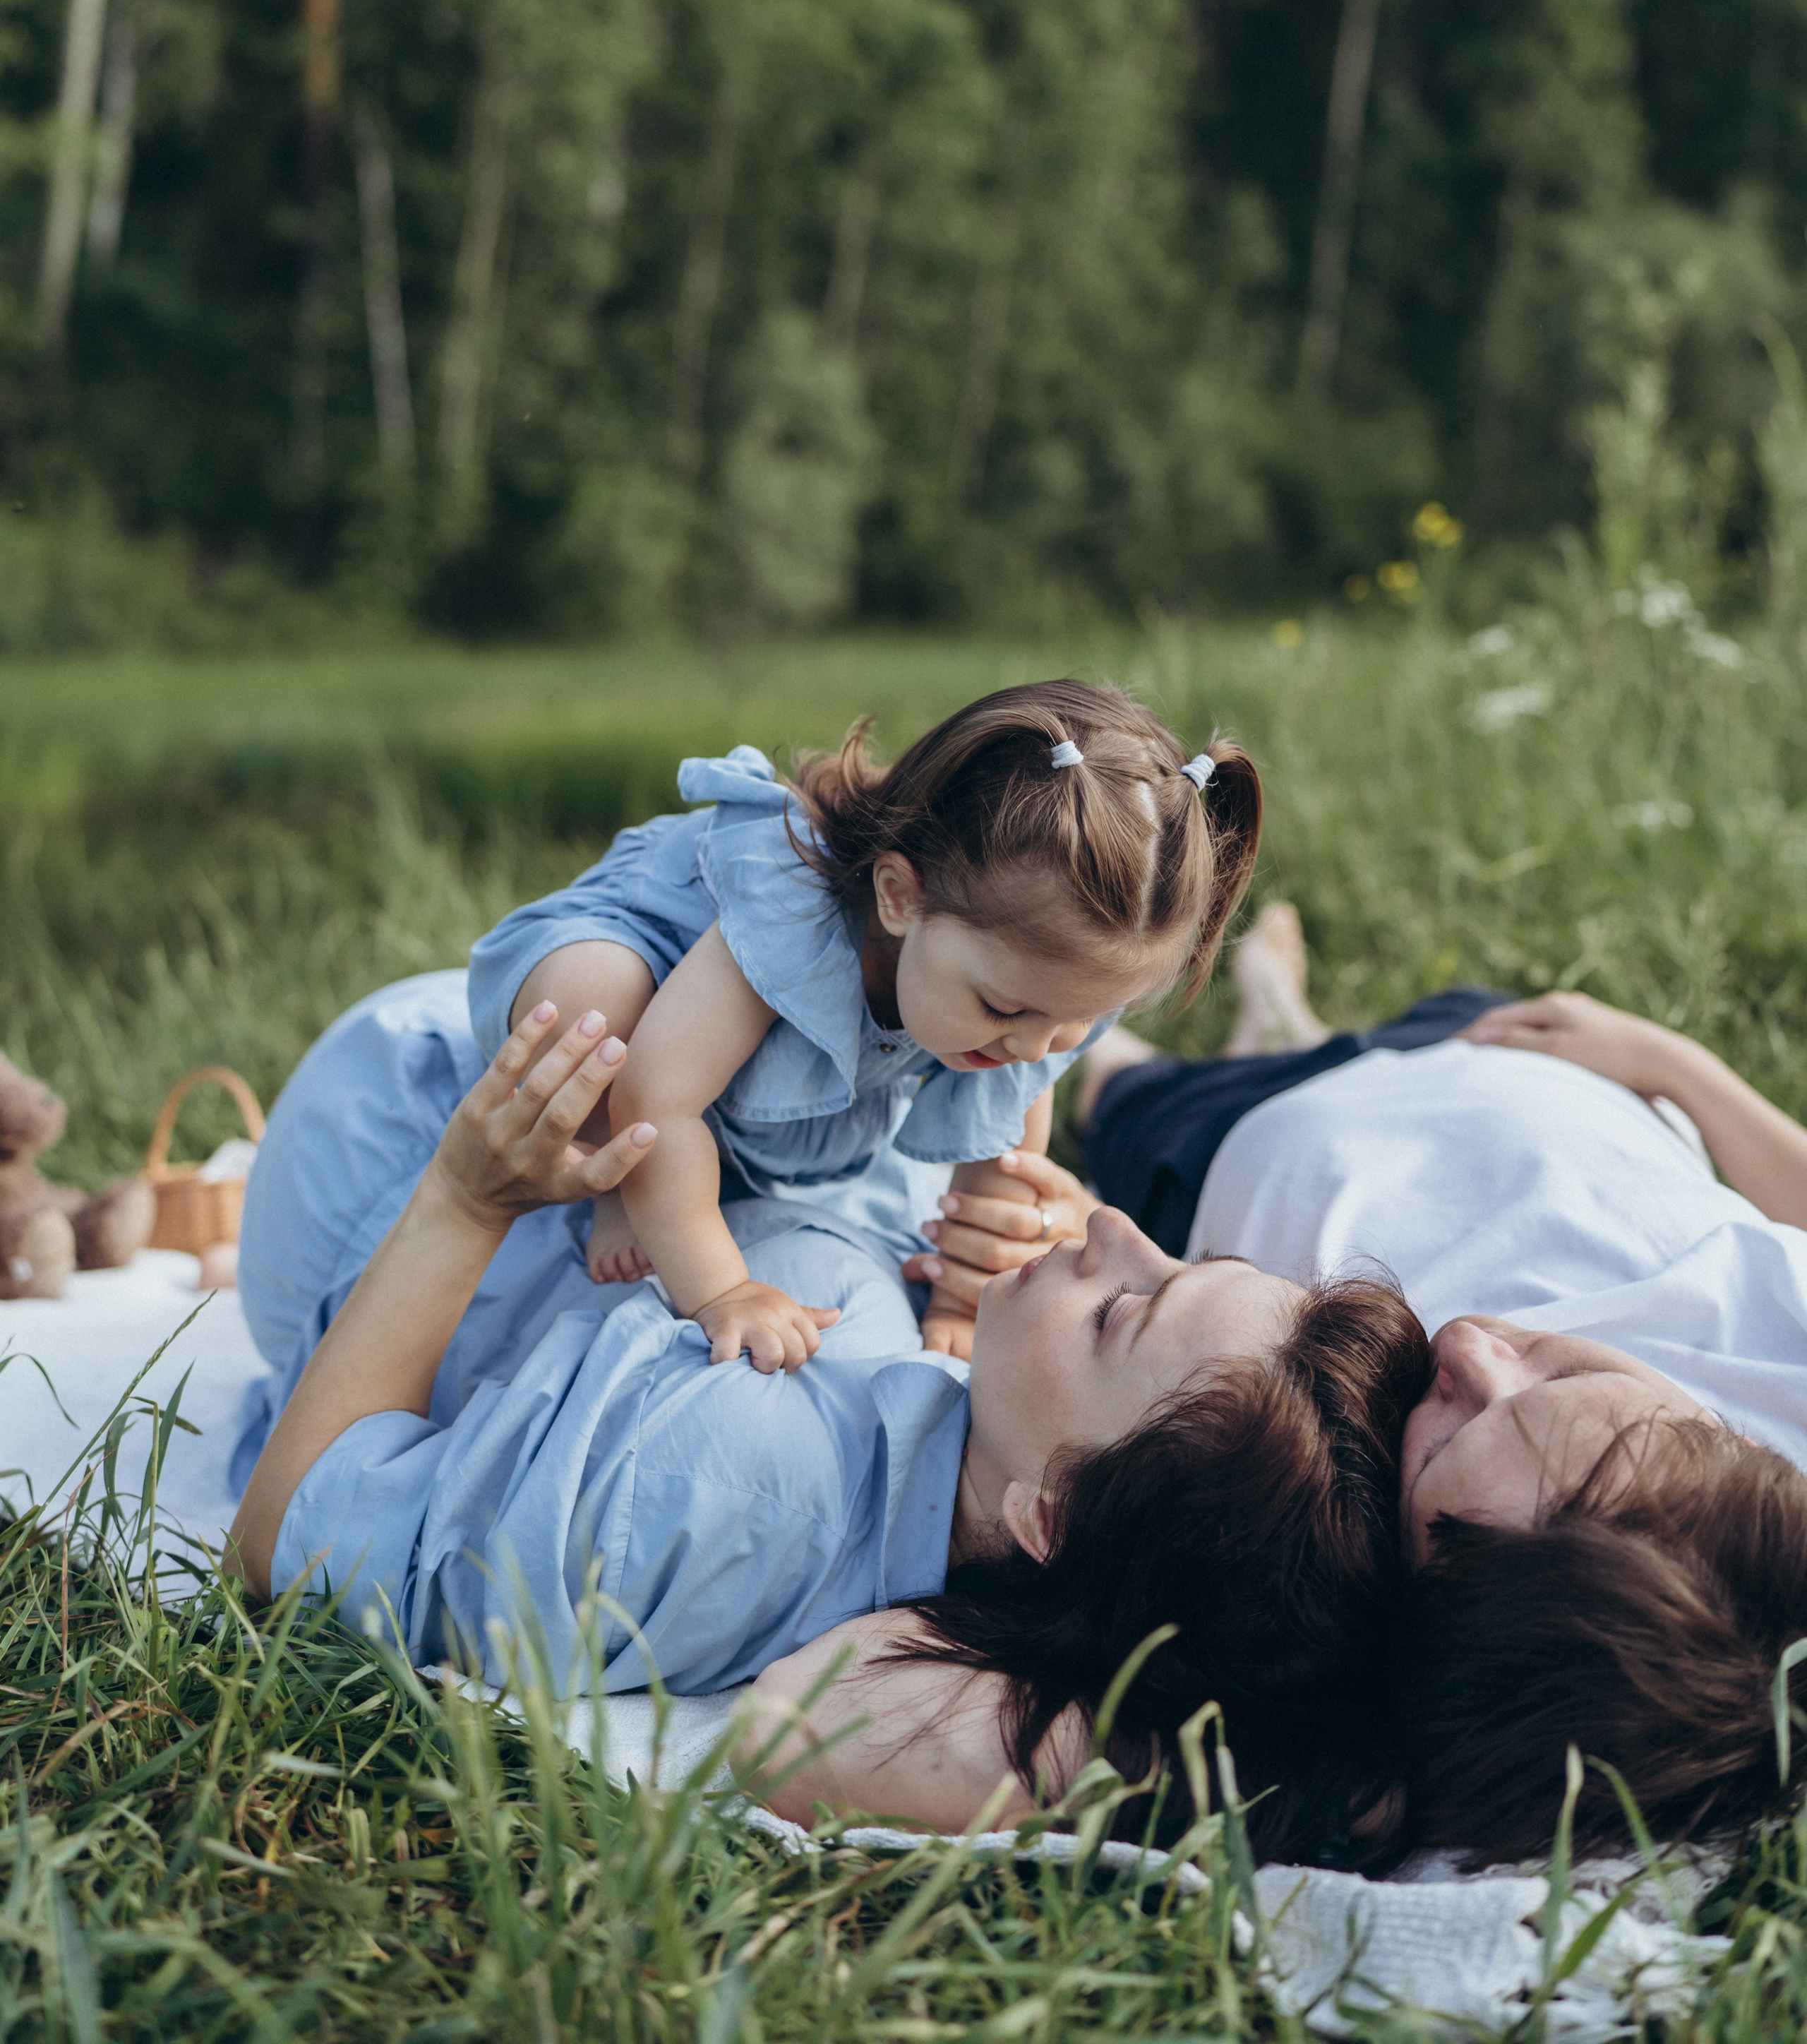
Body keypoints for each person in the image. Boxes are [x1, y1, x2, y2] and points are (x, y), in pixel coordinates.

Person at [227, 992, 1430, 1863]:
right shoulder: (951, 1443)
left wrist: (462, 1195)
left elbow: (286, 1538)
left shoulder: (719, 1496)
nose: (1110, 1225)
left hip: (388, 1152)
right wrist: (955, 1295)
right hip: (592, 1119)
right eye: (1172, 1255)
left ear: (1049, 1513)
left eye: (1126, 1308)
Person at [887, 908, 1807, 1861]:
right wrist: (1672, 1066)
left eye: (1442, 1436)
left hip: (1215, 1160)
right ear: (1744, 1442)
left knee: (1115, 1079)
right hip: (1509, 1059)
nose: (1467, 1347)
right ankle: (1280, 1021)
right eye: (1559, 1366)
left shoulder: (1385, 1614)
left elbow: (834, 1718)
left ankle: (1247, 1044)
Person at [460, 685, 1261, 1370]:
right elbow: (656, 1097)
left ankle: (690, 1179)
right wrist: (722, 1291)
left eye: (1077, 1023)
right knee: (596, 1011)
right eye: (1006, 1011)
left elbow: (1002, 1155)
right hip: (645, 982)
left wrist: (958, 1301)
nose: (1031, 1047)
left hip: (726, 1075)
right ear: (899, 898)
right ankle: (614, 1178)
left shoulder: (1030, 991)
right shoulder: (791, 914)